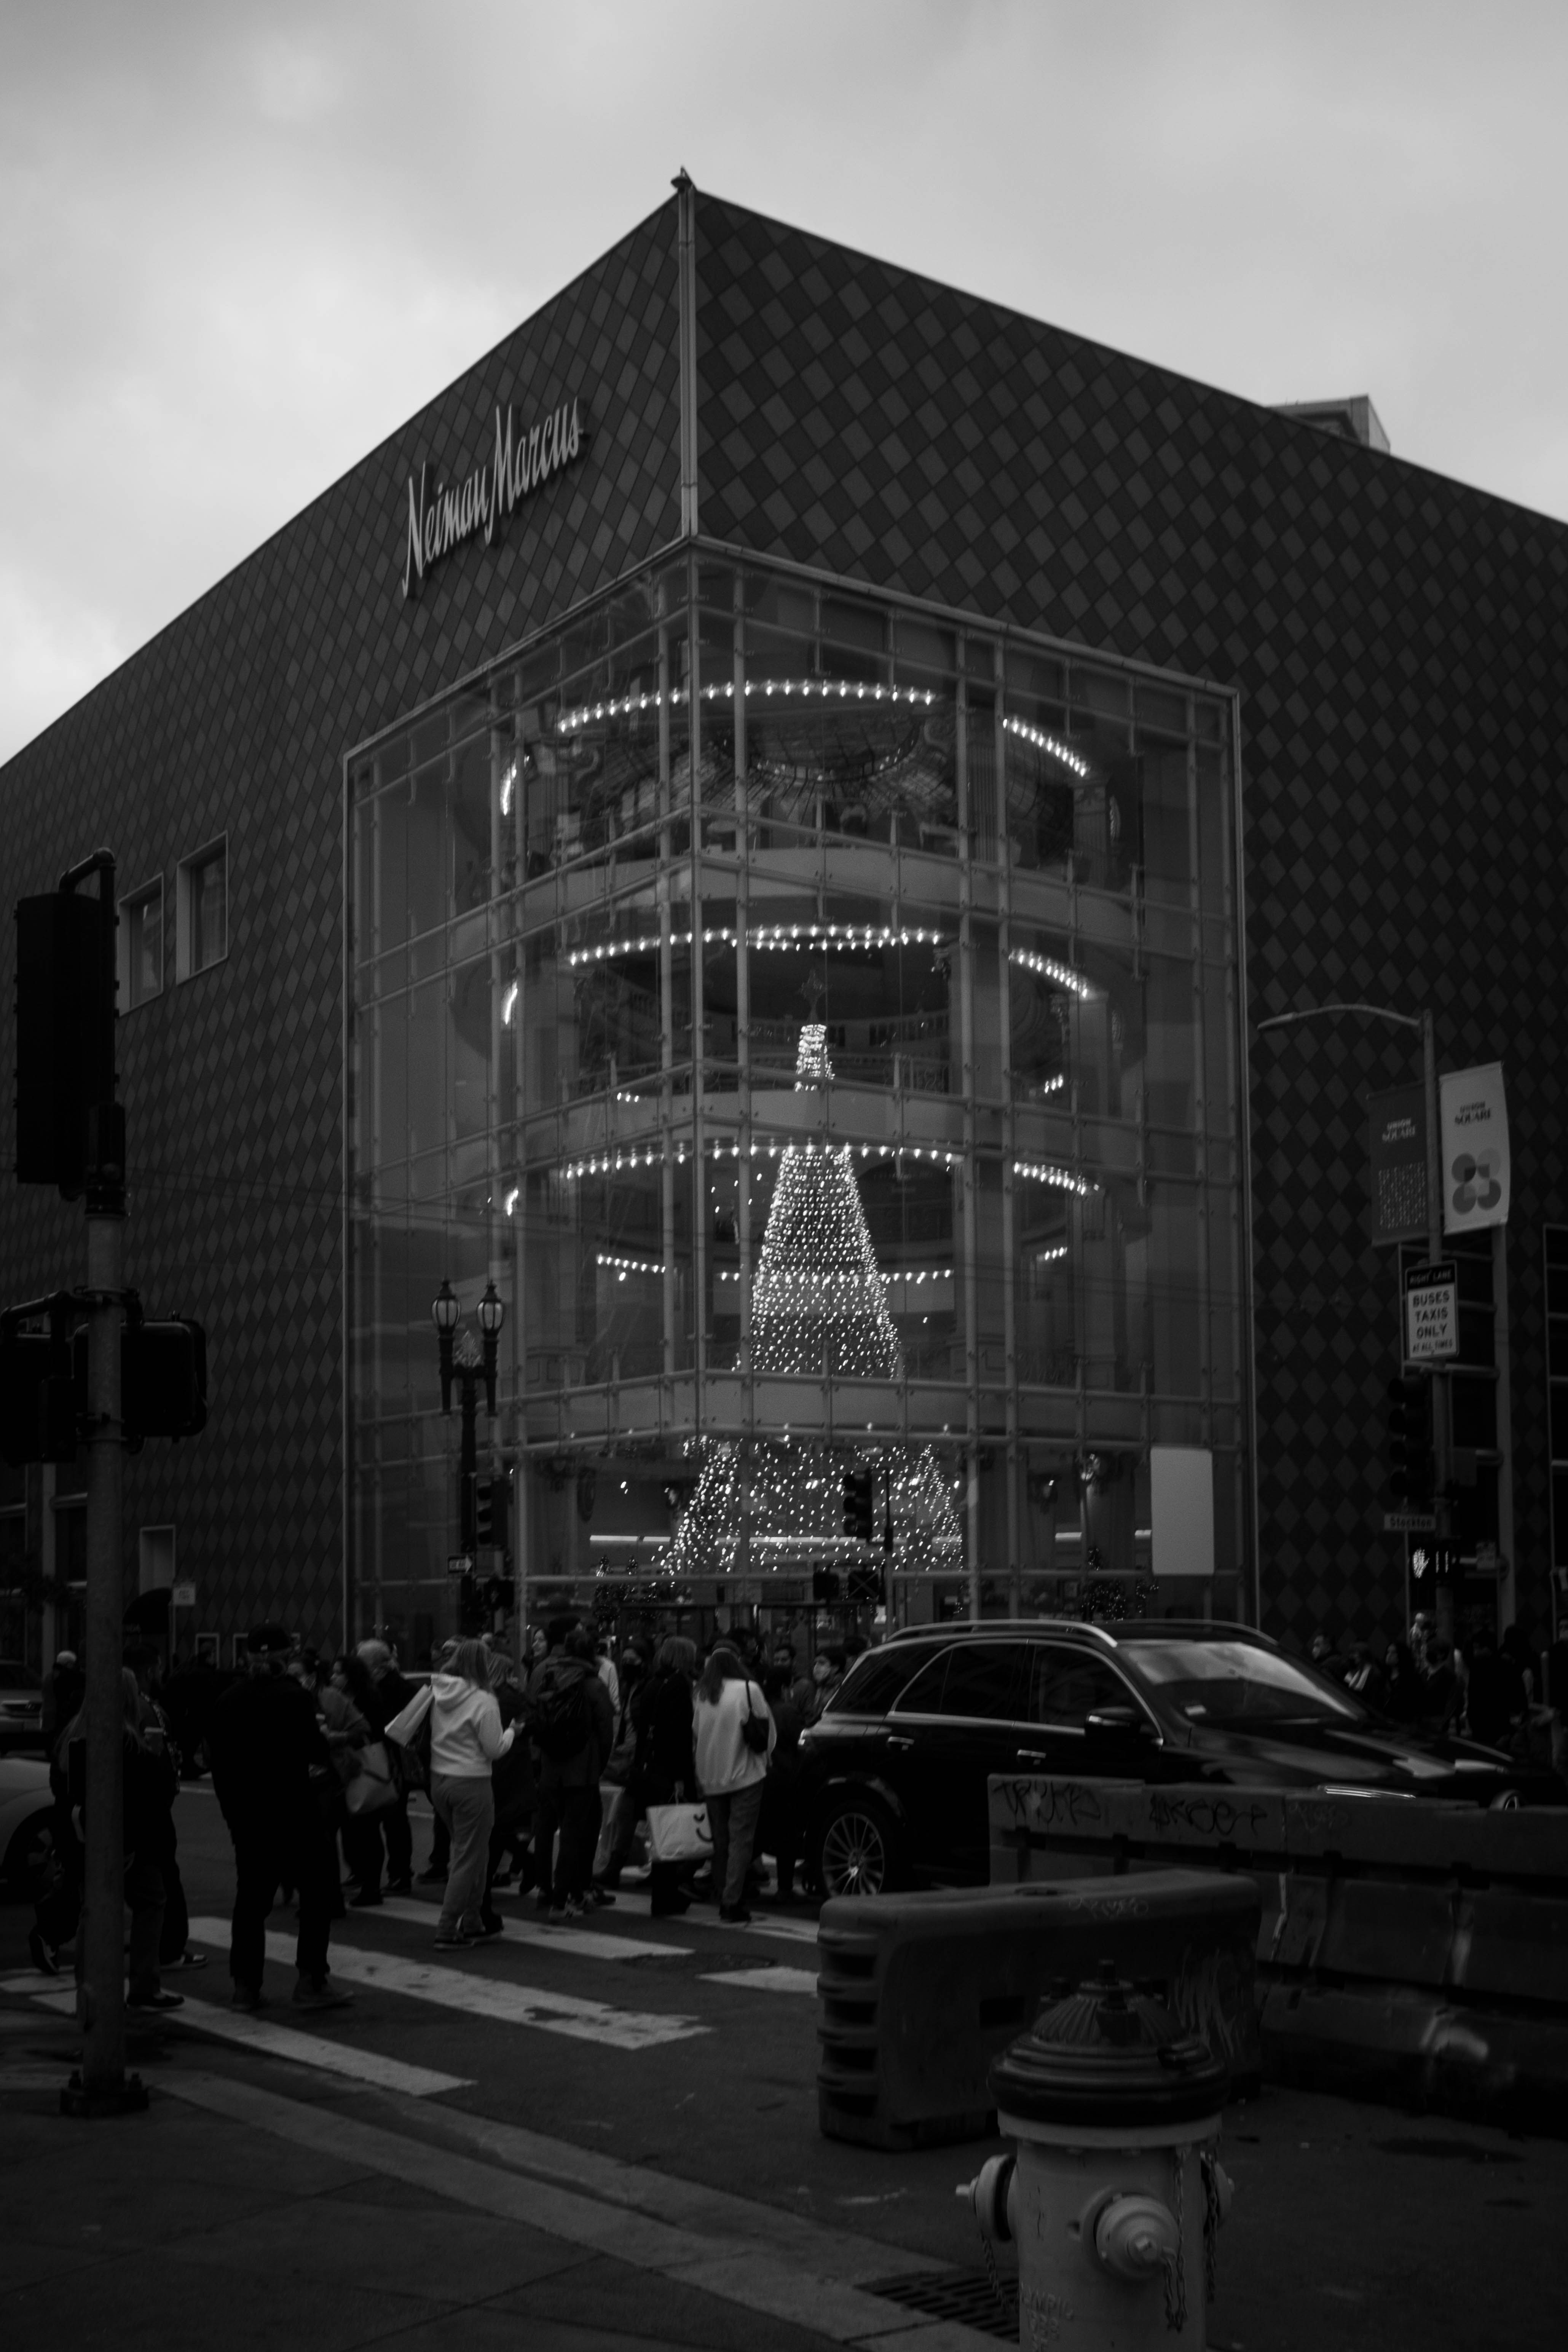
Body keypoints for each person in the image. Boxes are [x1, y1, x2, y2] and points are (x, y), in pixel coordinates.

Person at [210, 1623, 351, 2012]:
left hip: (250, 1819)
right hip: (296, 1813)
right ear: (284, 1658)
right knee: (318, 1894)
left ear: (248, 1657)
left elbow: (218, 1765)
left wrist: (232, 1815)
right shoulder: (295, 1698)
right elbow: (315, 1750)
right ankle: (311, 1979)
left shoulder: (228, 1700)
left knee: (251, 1903)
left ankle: (245, 1986)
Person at [65, 1667, 183, 2010]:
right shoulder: (131, 1742)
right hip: (134, 1844)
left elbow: (68, 1793)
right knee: (151, 1902)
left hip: (88, 1842)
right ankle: (145, 1985)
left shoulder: (75, 1735)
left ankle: (89, 1986)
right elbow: (152, 1797)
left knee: (94, 1911)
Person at [428, 1636, 515, 1947]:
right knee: (469, 1857)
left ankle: (474, 1920)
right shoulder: (484, 1700)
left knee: (474, 1852)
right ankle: (448, 1928)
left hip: (440, 1779)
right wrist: (511, 1732)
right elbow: (494, 1749)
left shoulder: (439, 1693)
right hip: (472, 1782)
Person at [528, 1621, 614, 1918]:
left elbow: (536, 1717)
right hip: (583, 1769)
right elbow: (606, 1732)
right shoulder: (593, 1683)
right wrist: (599, 1765)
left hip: (552, 1766)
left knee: (550, 1827)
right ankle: (563, 1899)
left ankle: (554, 1889)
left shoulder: (548, 1676)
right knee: (575, 1835)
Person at [693, 1642, 776, 1924]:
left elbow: (695, 1734)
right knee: (741, 1839)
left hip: (711, 1776)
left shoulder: (702, 1694)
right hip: (745, 1774)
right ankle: (732, 1901)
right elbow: (767, 1731)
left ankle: (722, 1893)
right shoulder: (748, 1690)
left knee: (721, 1840)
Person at [627, 1636, 699, 1916]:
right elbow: (679, 1735)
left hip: (650, 1768)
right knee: (672, 1835)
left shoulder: (652, 1684)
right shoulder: (680, 1685)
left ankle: (662, 1895)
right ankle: (666, 1896)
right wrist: (683, 1777)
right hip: (670, 1769)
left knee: (660, 1834)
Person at [356, 1638, 417, 1893]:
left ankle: (397, 1874)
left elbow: (389, 1726)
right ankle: (397, 1872)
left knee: (390, 1821)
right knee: (393, 1820)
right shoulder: (402, 1686)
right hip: (391, 1759)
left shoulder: (385, 1689)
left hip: (386, 1759)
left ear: (374, 1665)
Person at [758, 1661, 809, 1904]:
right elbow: (802, 1744)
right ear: (785, 1687)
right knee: (786, 1835)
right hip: (783, 1777)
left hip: (757, 1777)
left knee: (755, 1834)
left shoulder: (757, 1707)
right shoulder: (787, 1712)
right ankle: (785, 1888)